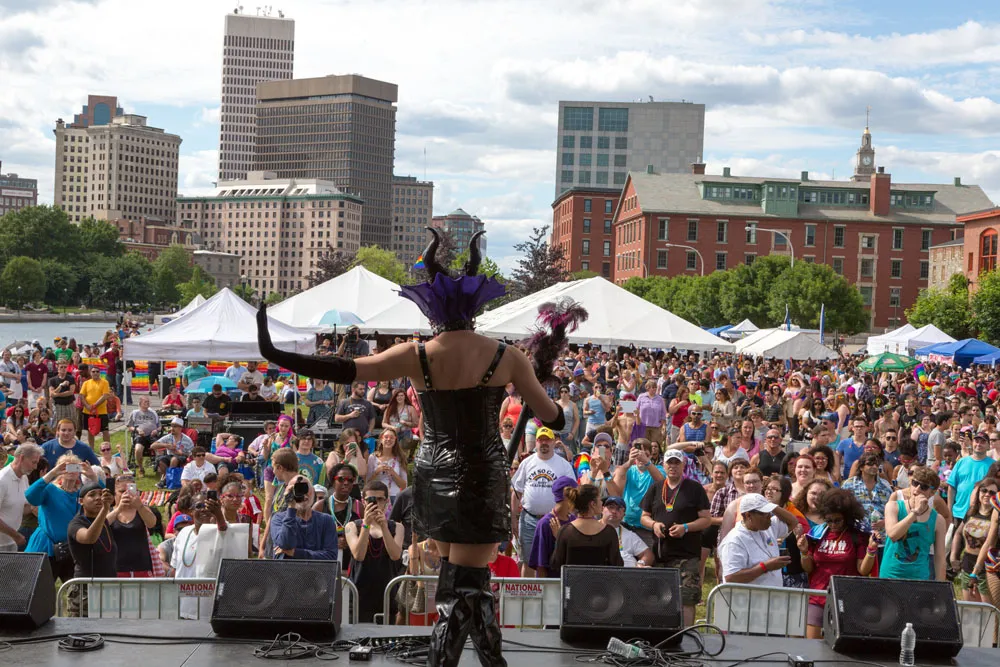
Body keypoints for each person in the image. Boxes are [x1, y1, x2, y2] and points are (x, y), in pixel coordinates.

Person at [258, 228, 572, 666]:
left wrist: (274, 351)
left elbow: (345, 369)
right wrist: (537, 382)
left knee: (466, 586)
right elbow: (553, 418)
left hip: (433, 475)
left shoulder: (417, 354)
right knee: (463, 588)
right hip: (481, 476)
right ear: (475, 310)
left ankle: (484, 661)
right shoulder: (507, 357)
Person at [640, 450, 711, 626]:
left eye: (676, 463)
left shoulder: (695, 488)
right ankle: (662, 633)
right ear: (663, 465)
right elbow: (644, 516)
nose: (673, 466)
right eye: (669, 463)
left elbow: (706, 519)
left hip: (687, 555)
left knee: (686, 599)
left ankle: (686, 634)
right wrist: (654, 525)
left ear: (683, 465)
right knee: (660, 598)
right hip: (661, 554)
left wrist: (685, 528)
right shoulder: (656, 488)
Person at [798, 488, 877, 638]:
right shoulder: (817, 534)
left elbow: (863, 570)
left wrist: (871, 550)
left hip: (847, 599)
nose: (833, 524)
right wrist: (803, 552)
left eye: (837, 520)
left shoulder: (857, 536)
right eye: (828, 520)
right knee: (812, 644)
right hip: (818, 596)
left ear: (846, 517)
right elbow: (809, 568)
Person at [26, 454, 103, 583]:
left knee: (78, 589)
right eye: (67, 467)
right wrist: (52, 473)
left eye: (75, 467)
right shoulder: (50, 489)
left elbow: (104, 500)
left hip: (72, 549)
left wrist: (93, 477)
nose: (71, 471)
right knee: (40, 589)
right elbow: (30, 496)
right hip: (46, 547)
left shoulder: (82, 494)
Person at [511, 426, 576, 576]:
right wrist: (513, 518)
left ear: (554, 442)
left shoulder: (563, 465)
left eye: (547, 440)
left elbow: (573, 493)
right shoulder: (527, 463)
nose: (544, 443)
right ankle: (528, 592)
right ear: (536, 442)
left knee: (552, 560)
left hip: (554, 521)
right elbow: (517, 492)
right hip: (529, 519)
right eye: (541, 440)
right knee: (527, 561)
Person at [344, 480, 404, 622]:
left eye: (380, 499)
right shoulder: (352, 526)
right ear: (363, 502)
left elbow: (395, 555)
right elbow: (358, 555)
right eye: (371, 500)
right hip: (359, 595)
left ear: (387, 502)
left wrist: (384, 527)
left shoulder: (397, 527)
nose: (375, 504)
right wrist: (366, 525)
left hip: (387, 595)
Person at [717, 492, 797, 587]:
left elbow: (793, 522)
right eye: (763, 513)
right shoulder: (734, 540)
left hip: (770, 594)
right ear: (748, 515)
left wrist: (771, 506)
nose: (769, 516)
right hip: (748, 596)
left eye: (769, 512)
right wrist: (765, 567)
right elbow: (731, 578)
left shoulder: (768, 527)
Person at [883, 466, 948, 581]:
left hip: (919, 578)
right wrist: (915, 513)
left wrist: (940, 585)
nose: (917, 489)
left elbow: (940, 557)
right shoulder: (893, 506)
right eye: (915, 483)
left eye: (923, 487)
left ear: (932, 492)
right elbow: (893, 535)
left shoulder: (938, 520)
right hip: (891, 575)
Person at [170, 491, 228, 619]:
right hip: (182, 606)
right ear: (191, 511)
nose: (204, 510)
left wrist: (218, 514)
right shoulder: (184, 532)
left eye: (207, 506)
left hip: (207, 608)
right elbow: (175, 568)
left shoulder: (219, 531)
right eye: (199, 506)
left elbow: (224, 530)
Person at [67, 482, 117, 616]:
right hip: (85, 590)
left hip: (108, 588)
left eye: (101, 494)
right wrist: (105, 510)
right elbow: (89, 538)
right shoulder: (76, 523)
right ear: (81, 501)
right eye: (92, 495)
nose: (98, 498)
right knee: (84, 628)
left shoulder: (103, 522)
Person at [550, 483, 623, 574]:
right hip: (601, 582)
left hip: (573, 582)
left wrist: (559, 538)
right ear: (592, 504)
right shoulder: (609, 532)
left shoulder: (565, 532)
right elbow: (617, 565)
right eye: (600, 500)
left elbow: (556, 564)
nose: (602, 503)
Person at [610, 438, 665, 550]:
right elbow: (617, 478)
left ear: (651, 455)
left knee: (648, 557)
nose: (641, 458)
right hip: (627, 525)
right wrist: (629, 462)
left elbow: (661, 482)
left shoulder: (658, 469)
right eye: (638, 454)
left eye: (646, 454)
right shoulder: (629, 469)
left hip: (647, 528)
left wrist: (647, 462)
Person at [269, 474, 338, 560]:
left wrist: (295, 553)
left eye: (305, 488)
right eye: (296, 489)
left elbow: (331, 557)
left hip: (317, 569)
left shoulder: (326, 521)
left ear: (313, 491)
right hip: (287, 569)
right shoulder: (278, 519)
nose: (302, 494)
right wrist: (291, 506)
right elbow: (286, 544)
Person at [952, 477, 997, 602]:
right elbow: (958, 533)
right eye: (984, 490)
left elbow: (989, 543)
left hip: (987, 568)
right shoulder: (971, 512)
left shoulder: (996, 517)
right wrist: (953, 556)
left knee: (987, 610)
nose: (987, 494)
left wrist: (976, 572)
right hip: (967, 563)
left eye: (992, 492)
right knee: (969, 607)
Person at [107, 473, 158, 577]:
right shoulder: (109, 511)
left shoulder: (142, 509)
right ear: (114, 493)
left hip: (142, 568)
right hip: (116, 569)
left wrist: (140, 506)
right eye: (122, 491)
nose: (126, 494)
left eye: (130, 490)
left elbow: (152, 523)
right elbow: (102, 526)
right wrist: (119, 509)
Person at [527, 475, 577, 577]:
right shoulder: (545, 523)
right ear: (566, 496)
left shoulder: (574, 520)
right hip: (552, 581)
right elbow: (540, 564)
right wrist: (544, 586)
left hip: (572, 580)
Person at [0, 443, 42, 551]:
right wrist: (15, 535)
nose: (35, 467)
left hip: (11, 542)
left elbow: (22, 508)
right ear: (22, 458)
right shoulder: (2, 480)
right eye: (33, 462)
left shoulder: (24, 478)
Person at [948, 432, 995, 524]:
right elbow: (951, 487)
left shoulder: (994, 465)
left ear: (988, 446)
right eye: (976, 441)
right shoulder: (961, 462)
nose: (979, 444)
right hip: (959, 512)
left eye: (982, 442)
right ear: (972, 443)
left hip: (981, 515)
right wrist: (949, 510)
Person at [600, 495, 653, 567]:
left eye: (618, 509)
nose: (614, 511)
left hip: (627, 571)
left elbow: (648, 554)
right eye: (611, 507)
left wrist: (641, 564)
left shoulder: (629, 535)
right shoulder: (592, 529)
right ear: (602, 509)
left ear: (624, 514)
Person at [366, 426, 408, 503]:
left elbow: (404, 485)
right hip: (377, 496)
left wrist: (393, 473)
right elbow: (368, 483)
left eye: (391, 437)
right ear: (381, 439)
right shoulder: (373, 457)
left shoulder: (400, 458)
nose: (388, 439)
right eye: (386, 437)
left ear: (395, 440)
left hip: (394, 496)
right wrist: (376, 472)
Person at [78, 364, 113, 447]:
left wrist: (94, 405)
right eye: (93, 371)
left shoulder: (105, 382)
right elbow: (81, 396)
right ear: (90, 373)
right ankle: (91, 449)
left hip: (101, 411)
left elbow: (105, 395)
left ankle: (107, 448)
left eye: (97, 371)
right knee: (90, 431)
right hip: (88, 411)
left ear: (100, 373)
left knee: (105, 431)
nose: (95, 373)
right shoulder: (86, 383)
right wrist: (87, 406)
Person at [128, 396, 161, 475]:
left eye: (148, 402)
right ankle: (141, 468)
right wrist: (137, 430)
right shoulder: (135, 413)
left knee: (160, 448)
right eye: (145, 402)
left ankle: (159, 467)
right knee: (138, 449)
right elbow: (130, 427)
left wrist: (156, 430)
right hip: (140, 436)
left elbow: (160, 426)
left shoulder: (153, 413)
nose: (147, 403)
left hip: (152, 435)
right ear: (140, 403)